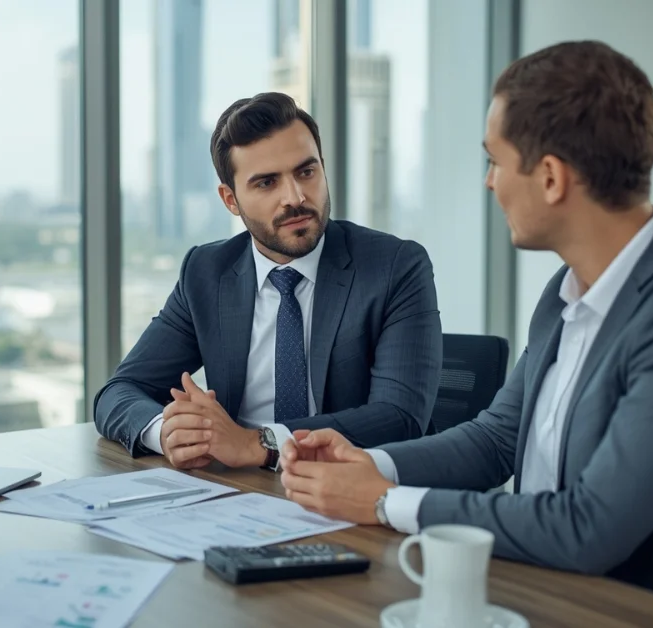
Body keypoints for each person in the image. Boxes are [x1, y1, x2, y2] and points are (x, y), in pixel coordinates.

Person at [276, 41, 653, 620]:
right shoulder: (567, 290)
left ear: (552, 178)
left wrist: (384, 503)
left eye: (496, 160)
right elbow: (496, 440)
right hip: (549, 593)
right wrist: (370, 465)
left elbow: (589, 527)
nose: (490, 182)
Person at [93, 92, 442, 470]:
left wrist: (261, 444)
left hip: (348, 496)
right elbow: (118, 392)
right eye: (266, 183)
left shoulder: (394, 267)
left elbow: (400, 418)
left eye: (306, 172)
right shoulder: (207, 271)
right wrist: (167, 432)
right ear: (230, 200)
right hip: (238, 495)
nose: (294, 197)